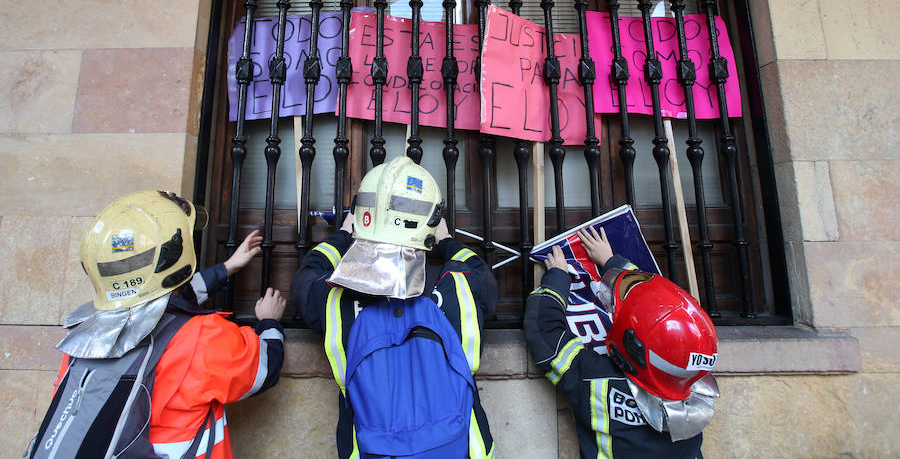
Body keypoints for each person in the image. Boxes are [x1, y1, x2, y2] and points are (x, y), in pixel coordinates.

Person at [29, 190, 286, 459]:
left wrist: (226, 268)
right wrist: (269, 322)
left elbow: (156, 300)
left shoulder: (84, 337)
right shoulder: (202, 337)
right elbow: (261, 370)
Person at [291, 156, 497, 459]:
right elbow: (483, 275)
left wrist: (343, 236)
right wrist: (446, 241)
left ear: (363, 215)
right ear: (431, 221)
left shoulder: (334, 295)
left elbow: (305, 277)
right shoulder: (462, 283)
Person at [524, 226, 719, 459]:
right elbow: (656, 304)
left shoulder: (598, 383)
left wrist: (556, 279)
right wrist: (611, 262)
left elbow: (547, 335)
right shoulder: (693, 382)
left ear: (630, 346)